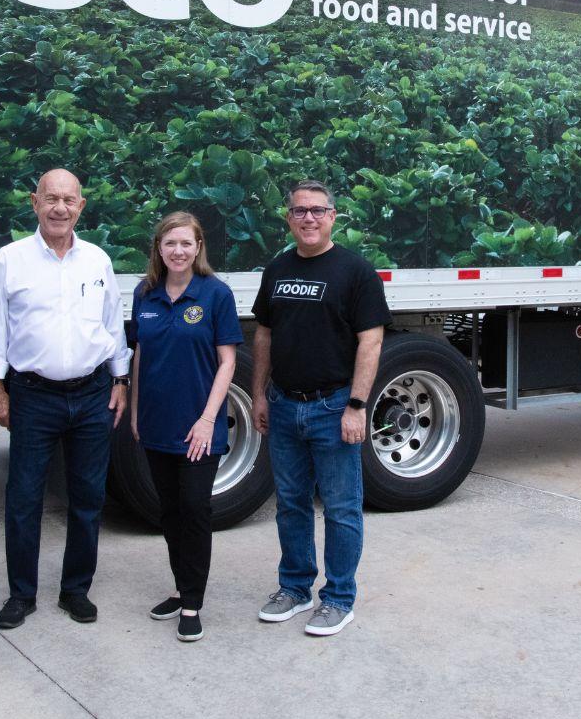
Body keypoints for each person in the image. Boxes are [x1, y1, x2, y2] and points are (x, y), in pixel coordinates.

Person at [0, 169, 129, 630]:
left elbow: (112, 324)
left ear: (81, 206)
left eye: (69, 200)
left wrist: (120, 379)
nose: (60, 208)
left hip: (91, 394)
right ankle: (21, 594)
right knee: (23, 498)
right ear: (34, 203)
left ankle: (75, 590)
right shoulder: (10, 260)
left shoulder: (97, 260)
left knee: (88, 497)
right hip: (32, 396)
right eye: (51, 199)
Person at [251, 179, 389, 636]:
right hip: (285, 406)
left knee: (341, 508)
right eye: (299, 211)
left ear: (333, 216)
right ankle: (293, 589)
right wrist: (257, 394)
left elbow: (371, 341)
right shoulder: (277, 270)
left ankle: (338, 598)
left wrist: (356, 406)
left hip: (333, 407)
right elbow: (265, 336)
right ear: (288, 218)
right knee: (290, 503)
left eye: (317, 210)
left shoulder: (355, 272)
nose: (308, 218)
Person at [129, 211, 242, 643]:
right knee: (170, 513)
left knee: (194, 511)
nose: (178, 251)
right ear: (159, 248)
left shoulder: (215, 295)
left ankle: (192, 602)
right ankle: (180, 588)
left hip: (200, 428)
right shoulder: (146, 294)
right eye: (170, 243)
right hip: (157, 424)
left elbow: (228, 361)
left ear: (198, 248)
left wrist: (207, 419)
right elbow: (140, 355)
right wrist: (137, 413)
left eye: (186, 244)